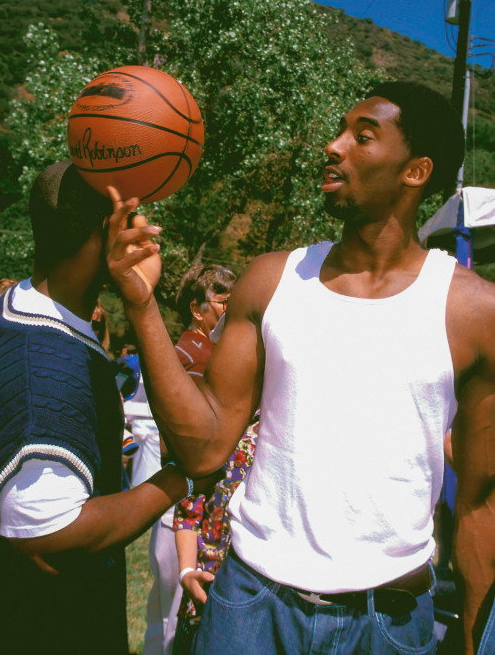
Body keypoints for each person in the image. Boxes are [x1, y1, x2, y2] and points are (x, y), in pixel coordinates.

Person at [106, 81, 495, 655]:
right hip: (251, 605)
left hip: (386, 623)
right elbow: (205, 449)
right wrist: (141, 306)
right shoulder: (270, 281)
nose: (333, 147)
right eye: (339, 131)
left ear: (416, 172)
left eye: (362, 137)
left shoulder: (473, 312)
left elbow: (480, 505)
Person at [0, 161, 201, 655]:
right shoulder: (45, 363)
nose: (146, 236)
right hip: (51, 630)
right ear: (103, 233)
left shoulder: (23, 311)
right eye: (131, 221)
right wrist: (183, 478)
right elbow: (47, 538)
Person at [143, 263, 236, 655]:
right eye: (224, 303)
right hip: (181, 505)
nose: (232, 312)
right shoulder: (182, 358)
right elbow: (177, 444)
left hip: (214, 513)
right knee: (170, 616)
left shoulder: (226, 354)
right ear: (197, 310)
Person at [173, 409, 259, 655]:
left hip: (261, 598)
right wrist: (187, 572)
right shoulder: (216, 422)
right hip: (206, 589)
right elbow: (188, 510)